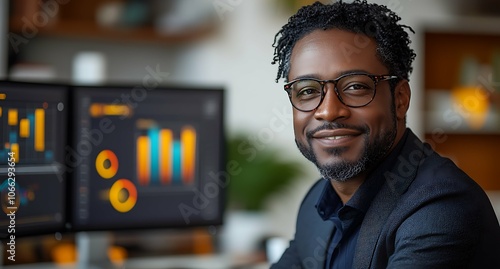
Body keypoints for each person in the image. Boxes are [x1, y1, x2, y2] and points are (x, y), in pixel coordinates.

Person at [269, 1, 500, 268]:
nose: (329, 111)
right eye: (307, 90)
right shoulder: (317, 203)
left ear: (400, 99)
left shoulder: (441, 208)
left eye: (355, 86)